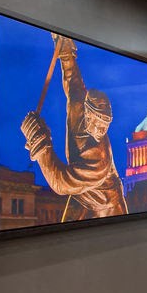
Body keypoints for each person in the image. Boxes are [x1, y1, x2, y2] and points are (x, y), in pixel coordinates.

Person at [20, 34, 129, 220]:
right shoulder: (79, 104)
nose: (103, 129)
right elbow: (73, 80)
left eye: (106, 123)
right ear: (87, 113)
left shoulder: (98, 157)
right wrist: (65, 47)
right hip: (83, 193)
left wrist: (41, 146)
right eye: (99, 121)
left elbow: (61, 183)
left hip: (108, 204)